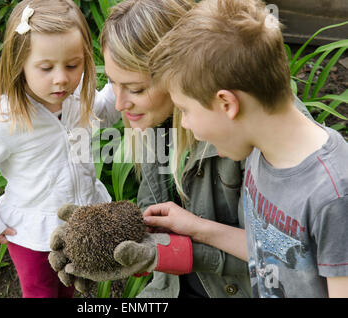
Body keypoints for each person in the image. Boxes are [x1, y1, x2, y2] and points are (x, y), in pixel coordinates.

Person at [49, 0, 310, 298]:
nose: (120, 105)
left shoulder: (244, 129)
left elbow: (284, 254)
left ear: (179, 72)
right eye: (112, 83)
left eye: (136, 89)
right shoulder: (154, 121)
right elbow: (156, 225)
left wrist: (165, 253)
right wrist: (99, 236)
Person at [145, 0, 348, 297]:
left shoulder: (333, 196)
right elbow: (273, 251)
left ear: (227, 103)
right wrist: (195, 227)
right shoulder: (262, 155)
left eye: (185, 110)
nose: (185, 124)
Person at [0, 0, 119, 298]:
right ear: (18, 63)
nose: (61, 77)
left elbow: (105, 110)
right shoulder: (5, 118)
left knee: (70, 286)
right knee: (41, 292)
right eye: (46, 67)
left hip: (77, 222)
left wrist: (123, 79)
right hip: (31, 233)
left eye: (73, 65)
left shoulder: (77, 98)